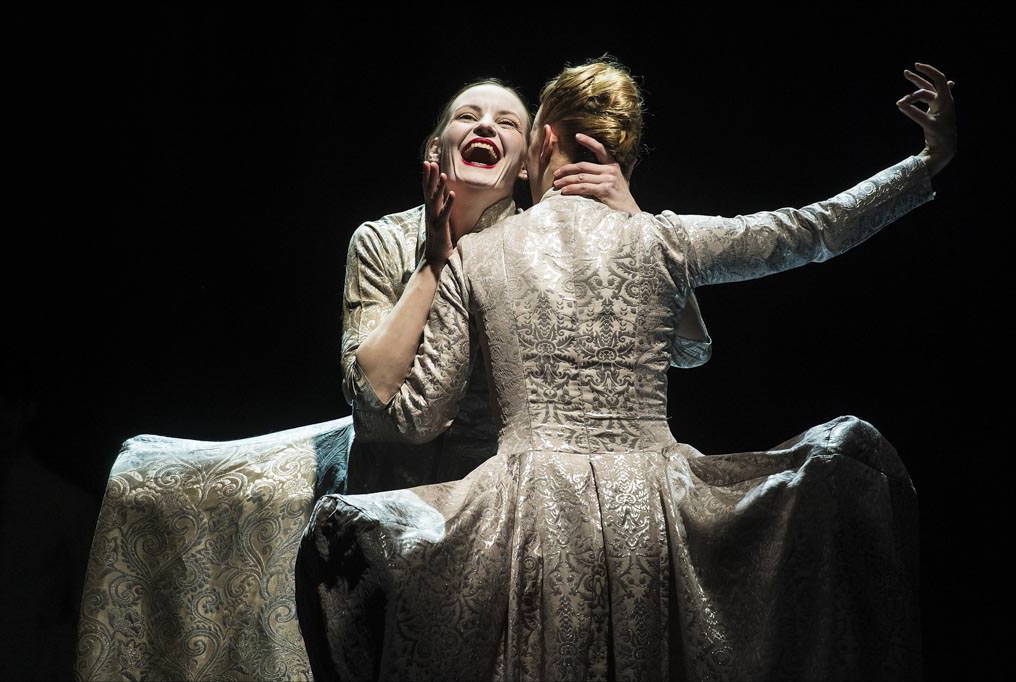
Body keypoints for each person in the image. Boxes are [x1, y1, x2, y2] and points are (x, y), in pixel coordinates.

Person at [299, 58, 955, 681]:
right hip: (657, 509)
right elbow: (810, 231)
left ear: (543, 138)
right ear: (622, 155)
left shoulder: (477, 254)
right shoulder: (661, 238)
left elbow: (415, 419)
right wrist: (927, 163)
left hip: (528, 511)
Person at [340, 78, 710, 493]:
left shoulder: (541, 248)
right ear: (433, 148)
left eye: (508, 123)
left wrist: (635, 222)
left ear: (524, 163)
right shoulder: (382, 240)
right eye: (467, 116)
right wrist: (433, 265)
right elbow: (368, 400)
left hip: (497, 493)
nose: (485, 127)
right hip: (388, 487)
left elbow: (687, 350)